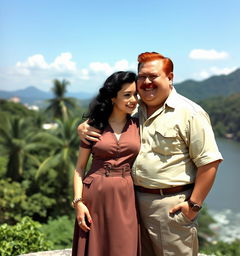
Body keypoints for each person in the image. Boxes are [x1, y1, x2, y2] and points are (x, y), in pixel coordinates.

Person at [78, 52, 223, 256]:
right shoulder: (136, 109)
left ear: (170, 77)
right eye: (142, 77)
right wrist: (85, 126)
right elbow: (109, 120)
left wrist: (193, 206)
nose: (146, 82)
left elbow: (210, 163)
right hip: (133, 204)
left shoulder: (189, 113)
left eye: (153, 76)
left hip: (169, 207)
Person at [72, 71, 141, 256]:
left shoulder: (140, 124)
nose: (133, 99)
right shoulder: (93, 127)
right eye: (127, 95)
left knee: (125, 246)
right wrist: (78, 203)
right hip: (94, 195)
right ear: (112, 98)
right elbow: (80, 168)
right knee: (95, 247)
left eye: (135, 94)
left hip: (126, 195)